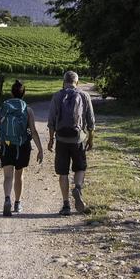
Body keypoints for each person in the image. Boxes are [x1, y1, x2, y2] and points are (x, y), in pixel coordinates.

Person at [47, 70, 95, 215]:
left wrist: (51, 140)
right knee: (80, 168)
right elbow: (91, 121)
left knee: (63, 172)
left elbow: (51, 122)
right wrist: (90, 139)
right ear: (77, 82)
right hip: (78, 139)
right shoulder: (84, 95)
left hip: (61, 139)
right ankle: (78, 188)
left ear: (64, 82)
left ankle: (66, 205)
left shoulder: (57, 96)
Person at [0, 80, 44, 216]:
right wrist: (40, 149)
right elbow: (33, 131)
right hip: (22, 146)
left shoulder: (5, 107)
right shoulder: (27, 109)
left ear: (12, 93)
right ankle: (17, 204)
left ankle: (7, 199)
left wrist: (2, 142)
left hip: (7, 145)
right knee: (19, 175)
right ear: (24, 93)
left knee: (7, 176)